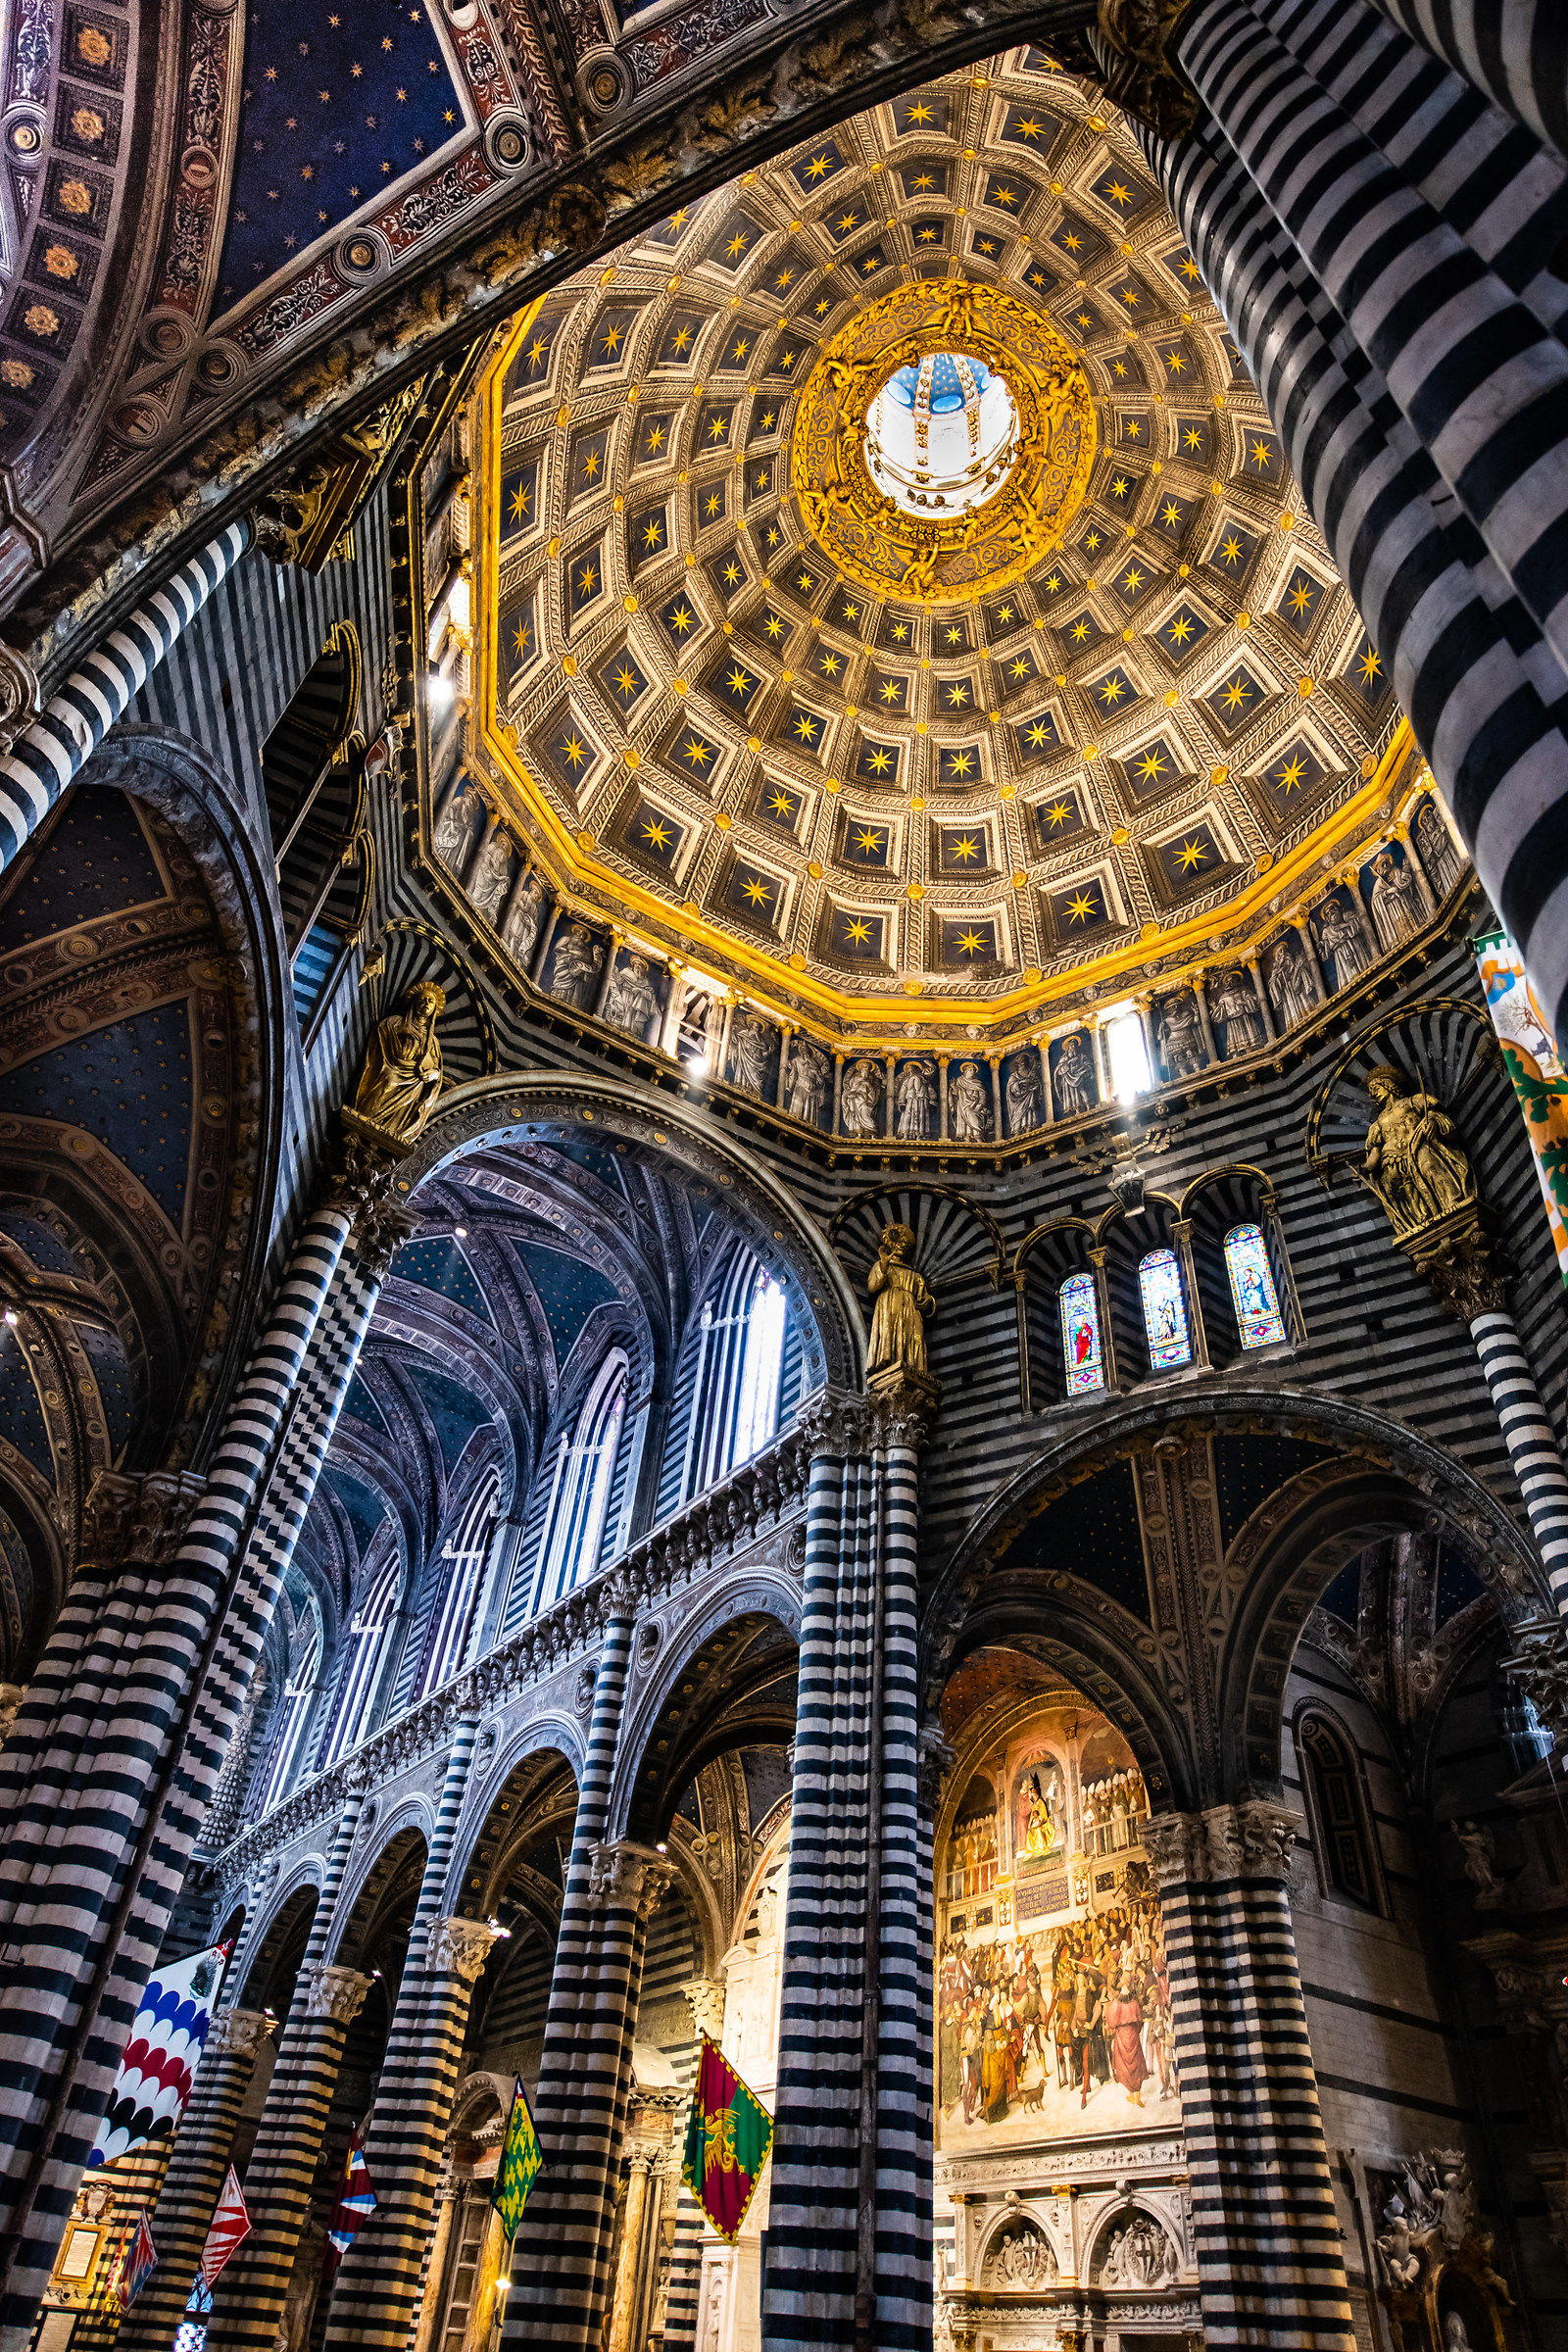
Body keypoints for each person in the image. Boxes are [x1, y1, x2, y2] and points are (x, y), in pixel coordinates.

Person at [352, 981, 446, 1140]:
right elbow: (380, 1037)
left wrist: (433, 1074)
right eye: (422, 1000)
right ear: (414, 1003)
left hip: (415, 1081)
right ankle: (362, 1120)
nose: (426, 1004)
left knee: (408, 1103)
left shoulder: (433, 1041)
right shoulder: (395, 1022)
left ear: (435, 1009)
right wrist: (400, 1033)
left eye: (430, 1001)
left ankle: (388, 1129)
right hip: (391, 1067)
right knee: (389, 1082)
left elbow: (437, 1069)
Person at [866, 1221, 934, 1378]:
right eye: (900, 1242)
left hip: (911, 1310)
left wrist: (928, 1302)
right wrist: (883, 1266)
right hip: (888, 1305)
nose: (903, 1246)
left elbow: (924, 1298)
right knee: (889, 1334)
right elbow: (872, 1287)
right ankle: (888, 1364)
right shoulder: (883, 1266)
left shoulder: (915, 1275)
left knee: (914, 1337)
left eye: (906, 1243)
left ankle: (914, 1367)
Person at [1207, 965, 1265, 1054]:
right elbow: (1220, 1013)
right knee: (1237, 1040)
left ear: (1237, 981)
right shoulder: (1224, 997)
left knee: (1251, 1036)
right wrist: (1215, 1007)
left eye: (1232, 981)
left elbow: (1254, 999)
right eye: (1228, 982)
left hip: (1245, 1017)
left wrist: (1245, 1002)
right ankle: (1240, 1051)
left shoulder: (1243, 991)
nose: (1229, 983)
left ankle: (1253, 1047)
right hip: (1233, 1021)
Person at [783, 1035, 828, 1125]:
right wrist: (789, 1086)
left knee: (809, 1107)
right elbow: (793, 1072)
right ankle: (796, 1117)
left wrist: (815, 1072)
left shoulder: (815, 1064)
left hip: (812, 1089)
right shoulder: (797, 1060)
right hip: (800, 1083)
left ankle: (808, 1121)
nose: (805, 1054)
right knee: (798, 1102)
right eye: (803, 1051)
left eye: (807, 1052)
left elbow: (820, 1081)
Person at [1053, 1032, 1094, 1115]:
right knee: (1073, 1096)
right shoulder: (1064, 1058)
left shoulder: (1081, 1056)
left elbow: (1088, 1065)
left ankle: (1089, 1107)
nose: (1073, 1047)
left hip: (1081, 1077)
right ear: (1068, 1047)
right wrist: (1068, 1063)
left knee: (1084, 1092)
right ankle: (1077, 1111)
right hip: (1068, 1080)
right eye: (1071, 1045)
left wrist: (1084, 1069)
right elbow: (1059, 1071)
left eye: (1075, 1045)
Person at [841, 1055, 882, 1138]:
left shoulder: (872, 1078)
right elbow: (852, 1088)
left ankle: (872, 1131)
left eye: (866, 1067)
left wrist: (868, 1085)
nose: (865, 1068)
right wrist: (851, 1094)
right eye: (863, 1067)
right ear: (860, 1068)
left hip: (866, 1100)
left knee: (865, 1114)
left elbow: (875, 1090)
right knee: (854, 1114)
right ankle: (859, 1133)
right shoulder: (855, 1077)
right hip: (856, 1098)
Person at [950, 1059, 990, 1142]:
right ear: (965, 1071)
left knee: (972, 1115)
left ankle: (977, 1135)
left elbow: (982, 1094)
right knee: (966, 1114)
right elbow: (956, 1094)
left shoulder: (977, 1083)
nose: (972, 1072)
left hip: (975, 1104)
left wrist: (980, 1104)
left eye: (973, 1070)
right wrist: (953, 1087)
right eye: (970, 1070)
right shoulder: (960, 1081)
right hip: (962, 1103)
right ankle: (967, 1137)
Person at [1006, 1051, 1044, 1134]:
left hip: (1030, 1095)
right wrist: (1020, 1083)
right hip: (1018, 1099)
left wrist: (1034, 1086)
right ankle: (1018, 1130)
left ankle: (1029, 1127)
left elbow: (1037, 1082)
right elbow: (1010, 1088)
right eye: (1021, 1063)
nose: (1022, 1065)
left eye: (1024, 1062)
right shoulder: (1014, 1076)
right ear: (1018, 1065)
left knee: (1029, 1111)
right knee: (1018, 1114)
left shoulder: (1031, 1073)